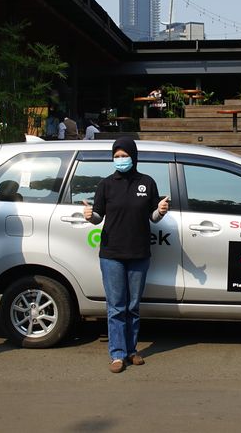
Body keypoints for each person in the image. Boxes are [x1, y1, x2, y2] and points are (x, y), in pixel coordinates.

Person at [82, 137, 169, 373]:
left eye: (124, 155)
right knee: (116, 306)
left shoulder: (147, 183)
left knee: (132, 306)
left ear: (134, 156)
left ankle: (132, 350)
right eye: (116, 156)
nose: (120, 160)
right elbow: (99, 216)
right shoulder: (106, 185)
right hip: (111, 254)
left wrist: (160, 211)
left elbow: (152, 216)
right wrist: (90, 216)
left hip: (139, 252)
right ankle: (117, 354)